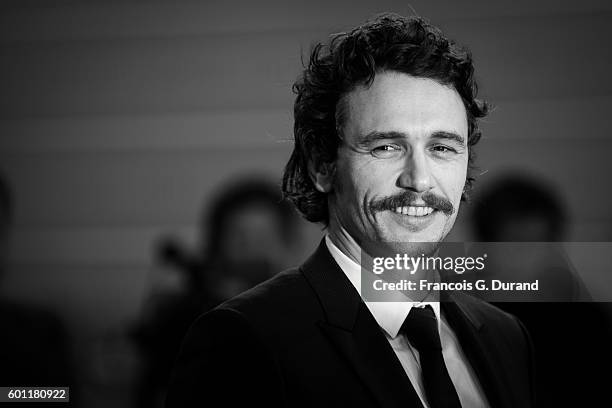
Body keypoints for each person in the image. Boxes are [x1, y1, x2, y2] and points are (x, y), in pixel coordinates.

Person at [166, 14, 535, 407]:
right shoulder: (243, 340)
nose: (419, 179)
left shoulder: (506, 337)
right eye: (386, 147)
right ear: (322, 166)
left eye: (442, 148)